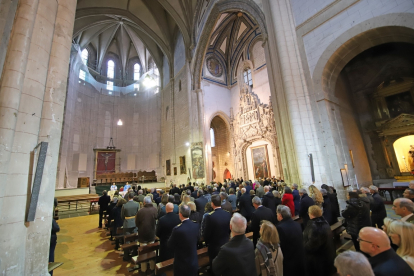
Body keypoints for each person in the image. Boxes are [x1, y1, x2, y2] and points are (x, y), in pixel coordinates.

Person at [303, 205, 336, 276]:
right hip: (327, 255)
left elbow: (312, 245)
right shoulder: (324, 222)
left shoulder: (315, 226)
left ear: (311, 214)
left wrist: (303, 247)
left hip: (319, 260)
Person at [168, 204, 200, 276]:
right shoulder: (196, 225)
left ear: (180, 214)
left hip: (181, 263)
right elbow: (198, 238)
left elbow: (170, 244)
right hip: (193, 260)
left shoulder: (177, 229)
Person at [203, 194, 232, 273]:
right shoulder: (227, 214)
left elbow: (207, 234)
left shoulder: (210, 217)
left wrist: (207, 243)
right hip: (226, 242)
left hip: (214, 246)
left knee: (214, 266)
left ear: (212, 203)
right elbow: (230, 229)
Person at [276, 205, 306, 276]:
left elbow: (281, 246)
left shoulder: (280, 228)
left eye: (276, 214)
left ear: (280, 215)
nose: (276, 215)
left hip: (289, 261)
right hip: (300, 258)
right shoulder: (297, 224)